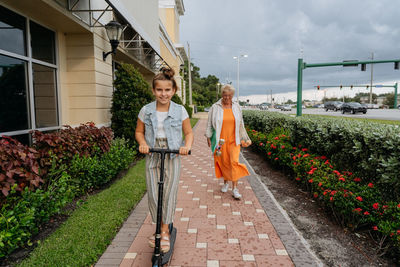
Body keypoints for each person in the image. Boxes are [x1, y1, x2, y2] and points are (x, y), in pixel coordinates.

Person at [135, 67, 193, 253]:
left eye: (167, 90)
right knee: (153, 191)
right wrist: (142, 143)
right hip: (152, 153)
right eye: (159, 90)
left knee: (168, 192)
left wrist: (187, 146)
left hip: (173, 154)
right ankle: (158, 227)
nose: (163, 94)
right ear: (153, 90)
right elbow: (139, 132)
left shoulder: (180, 110)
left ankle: (164, 231)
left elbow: (189, 132)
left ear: (173, 91)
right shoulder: (146, 110)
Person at [205, 84, 252, 199]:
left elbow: (241, 124)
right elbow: (209, 123)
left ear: (232, 96)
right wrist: (208, 137)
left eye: (229, 96)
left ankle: (235, 188)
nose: (227, 98)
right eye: (225, 95)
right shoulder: (215, 107)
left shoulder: (237, 107)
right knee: (224, 162)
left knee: (233, 162)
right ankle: (225, 183)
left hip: (234, 141)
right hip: (220, 141)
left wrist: (244, 138)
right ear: (222, 95)